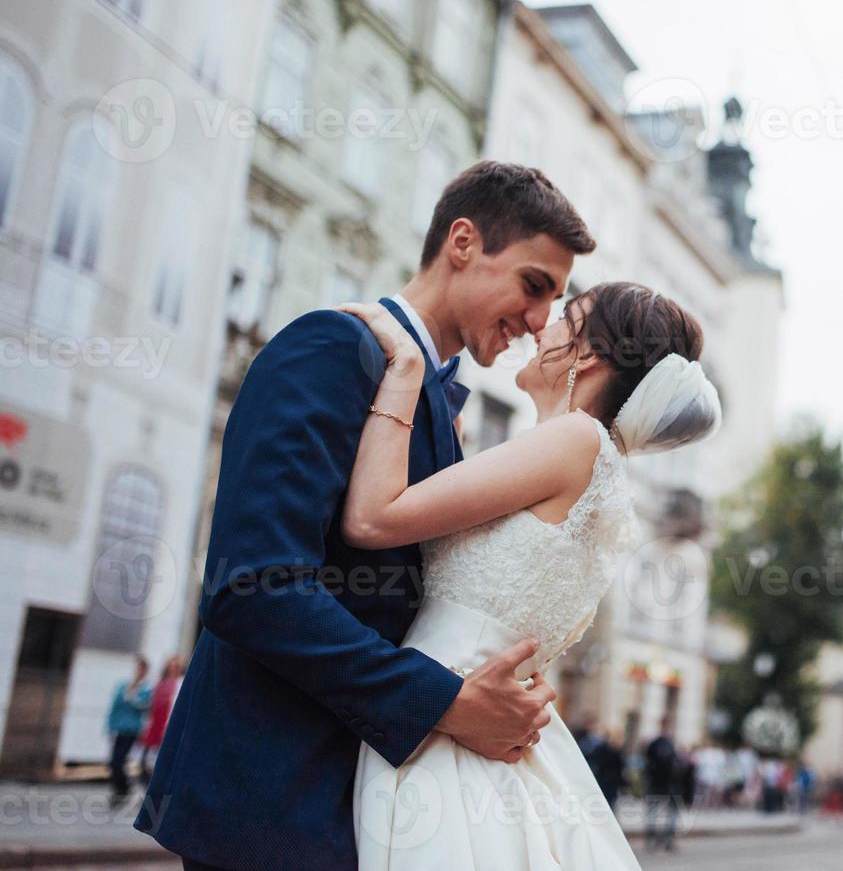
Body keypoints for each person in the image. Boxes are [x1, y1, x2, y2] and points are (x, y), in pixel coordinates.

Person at [135, 162, 596, 870]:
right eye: (534, 285)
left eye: (554, 300)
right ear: (463, 243)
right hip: (272, 804)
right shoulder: (329, 348)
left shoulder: (439, 402)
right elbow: (253, 587)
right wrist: (446, 701)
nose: (540, 324)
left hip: (365, 805)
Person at [343, 282, 718, 867]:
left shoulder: (573, 441)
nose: (541, 325)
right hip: (470, 723)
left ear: (588, 353)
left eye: (565, 316)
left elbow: (371, 519)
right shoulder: (598, 466)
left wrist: (406, 371)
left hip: (447, 724)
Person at [106, 657, 151, 804]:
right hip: (119, 727)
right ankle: (120, 788)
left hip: (132, 729)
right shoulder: (124, 685)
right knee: (114, 761)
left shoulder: (146, 688)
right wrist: (110, 725)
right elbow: (115, 706)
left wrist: (134, 698)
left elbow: (145, 706)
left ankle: (124, 789)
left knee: (121, 760)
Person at [138, 655, 182, 783]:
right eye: (171, 666)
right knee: (145, 761)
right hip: (155, 725)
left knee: (160, 761)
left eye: (176, 667)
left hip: (167, 725)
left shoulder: (180, 683)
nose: (173, 669)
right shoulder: (160, 682)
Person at [643, 717, 684, 852]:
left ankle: (659, 839)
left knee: (658, 812)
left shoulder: (660, 744)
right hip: (665, 784)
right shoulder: (667, 745)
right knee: (663, 812)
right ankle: (661, 839)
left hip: (660, 783)